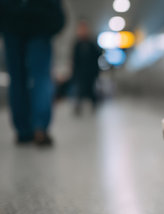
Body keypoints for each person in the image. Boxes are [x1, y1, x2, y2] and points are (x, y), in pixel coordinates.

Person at [0, 0, 65, 146]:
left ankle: (23, 130)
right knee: (41, 77)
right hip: (40, 23)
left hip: (11, 23)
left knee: (17, 79)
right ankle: (40, 128)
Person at [72, 21, 102, 115]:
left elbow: (98, 56)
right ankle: (78, 107)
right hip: (80, 72)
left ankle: (94, 106)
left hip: (91, 72)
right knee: (79, 90)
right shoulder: (77, 44)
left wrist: (96, 72)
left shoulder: (92, 43)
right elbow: (74, 59)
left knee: (91, 90)